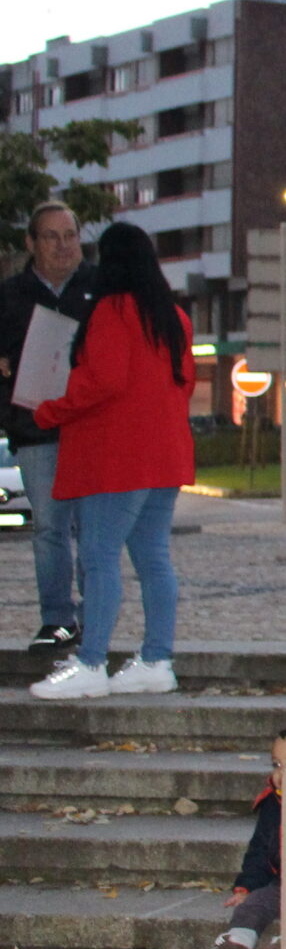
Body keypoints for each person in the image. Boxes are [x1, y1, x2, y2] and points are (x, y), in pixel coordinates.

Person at [28, 221, 194, 701]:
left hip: (117, 456)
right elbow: (181, 384)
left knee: (99, 558)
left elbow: (101, 382)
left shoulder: (112, 310)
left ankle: (91, 662)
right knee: (154, 559)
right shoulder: (173, 316)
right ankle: (157, 659)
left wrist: (48, 411)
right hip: (165, 455)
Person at [0, 202, 95, 656]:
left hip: (92, 429)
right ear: (31, 244)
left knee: (94, 528)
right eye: (52, 237)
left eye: (70, 235)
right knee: (51, 528)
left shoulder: (101, 288)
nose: (63, 246)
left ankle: (96, 617)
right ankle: (58, 619)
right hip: (36, 430)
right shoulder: (9, 296)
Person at [194, 721, 286, 949]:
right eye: (277, 764)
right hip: (284, 882)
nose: (281, 772)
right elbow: (259, 850)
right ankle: (237, 945)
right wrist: (247, 887)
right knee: (254, 904)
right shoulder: (273, 803)